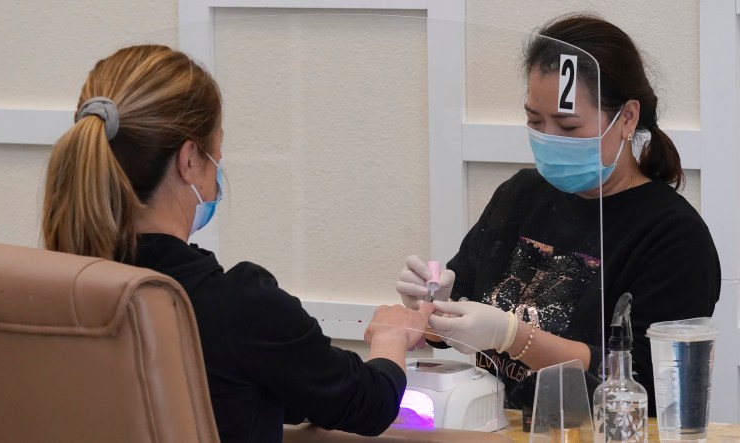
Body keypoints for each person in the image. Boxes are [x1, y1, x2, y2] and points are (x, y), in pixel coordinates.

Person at [41, 44, 435, 443]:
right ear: (190, 159)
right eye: (217, 152)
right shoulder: (239, 307)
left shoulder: (48, 289)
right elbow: (367, 405)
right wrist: (391, 337)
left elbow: (272, 387)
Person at [397, 14, 720, 413]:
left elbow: (643, 382)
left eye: (568, 127)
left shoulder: (674, 237)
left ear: (627, 118)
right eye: (535, 121)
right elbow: (462, 317)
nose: (549, 139)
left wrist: (515, 337)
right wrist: (433, 309)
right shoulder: (520, 195)